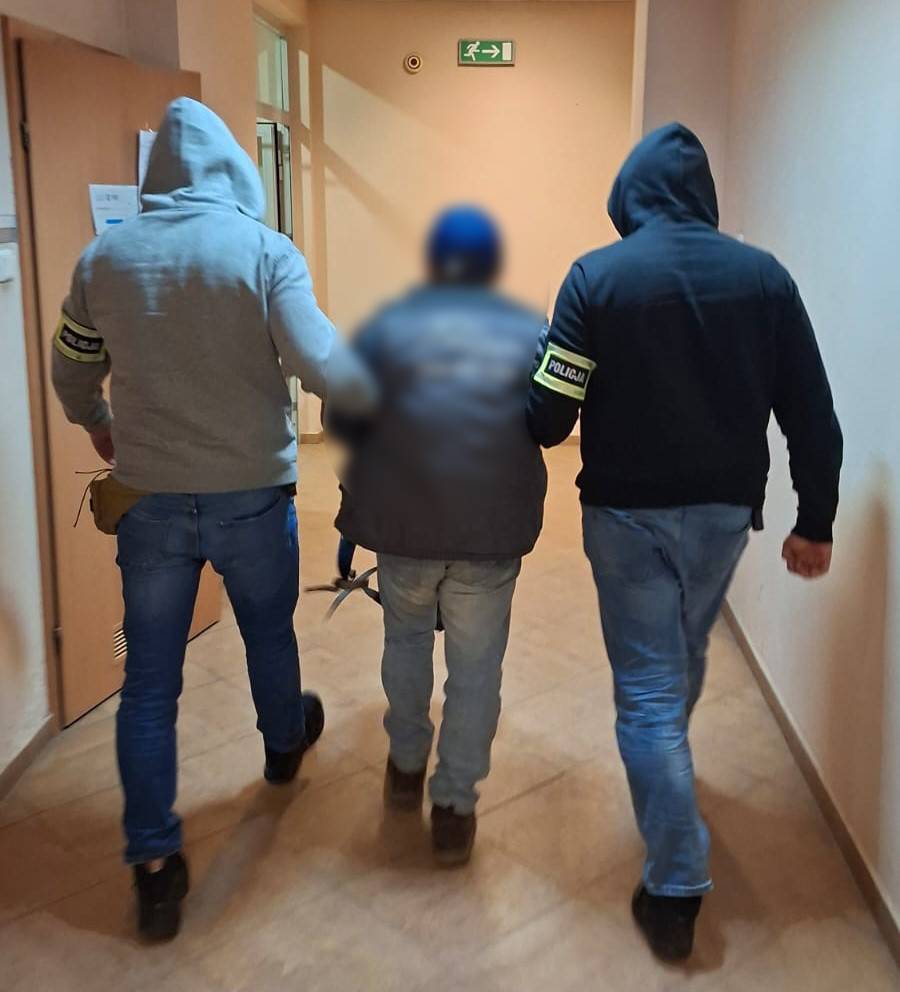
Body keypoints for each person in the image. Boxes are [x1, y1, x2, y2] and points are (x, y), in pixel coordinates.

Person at [51, 98, 373, 940]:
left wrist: (99, 425)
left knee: (147, 682)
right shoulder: (265, 251)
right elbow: (322, 363)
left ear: (157, 174)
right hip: (252, 500)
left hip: (149, 504)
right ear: (233, 168)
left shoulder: (104, 259)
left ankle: (155, 867)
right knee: (268, 632)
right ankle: (282, 744)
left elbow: (71, 369)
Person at [526, 123, 842, 961]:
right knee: (684, 650)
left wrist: (535, 366)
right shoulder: (765, 278)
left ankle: (675, 887)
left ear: (628, 194)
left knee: (647, 694)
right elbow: (813, 414)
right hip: (724, 518)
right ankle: (669, 761)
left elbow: (548, 419)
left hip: (626, 519)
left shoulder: (594, 278)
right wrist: (816, 519)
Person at [331, 206, 547, 866]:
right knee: (476, 669)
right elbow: (551, 421)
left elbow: (339, 413)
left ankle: (405, 766)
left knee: (405, 641)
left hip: (404, 528)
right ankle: (454, 807)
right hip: (489, 532)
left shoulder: (387, 329)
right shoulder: (530, 332)